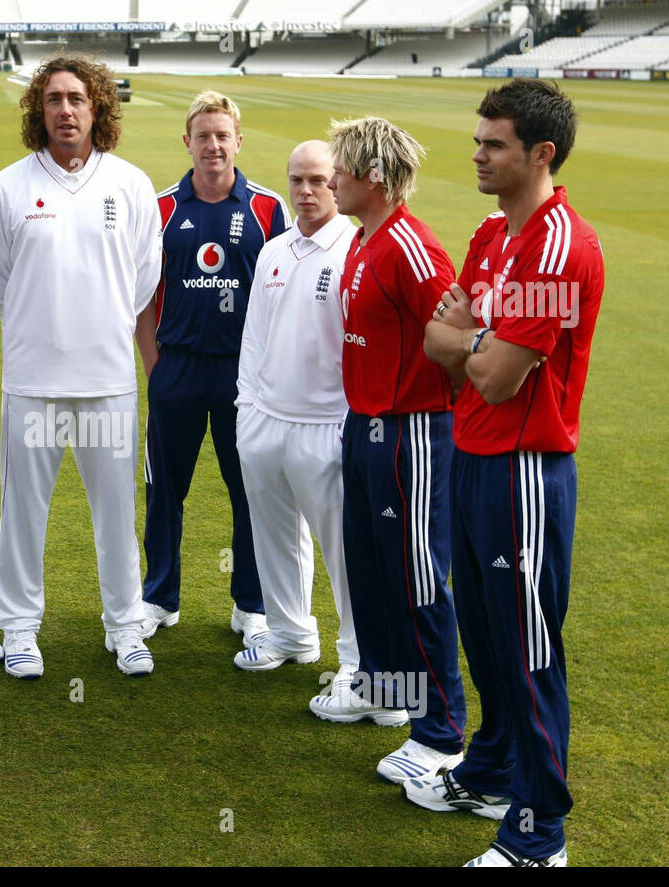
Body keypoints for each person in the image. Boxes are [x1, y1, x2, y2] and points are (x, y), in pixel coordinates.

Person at [413, 79, 602, 867]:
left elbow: (492, 373)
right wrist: (471, 339)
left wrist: (471, 340)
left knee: (527, 650)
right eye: (479, 139)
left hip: (525, 471)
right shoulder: (495, 238)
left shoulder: (560, 244)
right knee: (487, 637)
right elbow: (440, 341)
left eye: (494, 144)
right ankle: (491, 769)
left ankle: (538, 835)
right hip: (473, 454)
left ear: (540, 154)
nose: (478, 155)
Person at [0, 54, 162, 678]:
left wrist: (96, 325)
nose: (65, 110)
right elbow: (0, 280)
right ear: (39, 109)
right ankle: (21, 629)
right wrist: (45, 325)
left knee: (116, 511)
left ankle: (125, 626)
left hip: (109, 380)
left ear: (97, 107)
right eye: (54, 99)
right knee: (23, 511)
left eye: (77, 99)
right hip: (34, 381)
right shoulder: (5, 187)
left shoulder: (131, 185)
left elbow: (142, 281)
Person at [329, 116, 468, 783]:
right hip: (365, 426)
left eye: (340, 170)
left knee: (415, 573)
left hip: (410, 431)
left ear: (373, 178)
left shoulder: (410, 247)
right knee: (371, 566)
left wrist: (447, 426)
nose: (329, 180)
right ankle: (387, 689)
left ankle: (441, 733)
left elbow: (459, 340)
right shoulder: (363, 240)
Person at [133, 90, 294, 652]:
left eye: (223, 135)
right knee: (163, 489)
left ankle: (250, 604)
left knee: (250, 490)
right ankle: (158, 597)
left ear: (238, 141)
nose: (213, 145)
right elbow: (143, 297)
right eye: (203, 135)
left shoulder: (269, 209)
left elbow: (284, 294)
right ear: (187, 142)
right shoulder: (161, 207)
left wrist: (265, 372)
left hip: (241, 376)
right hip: (175, 369)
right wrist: (155, 368)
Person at [234, 141, 373, 696]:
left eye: (318, 180)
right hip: (267, 420)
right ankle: (290, 634)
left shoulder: (354, 251)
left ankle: (358, 658)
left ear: (336, 183)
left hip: (328, 424)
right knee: (274, 537)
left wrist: (348, 423)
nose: (307, 191)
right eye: (297, 180)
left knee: (346, 552)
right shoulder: (273, 251)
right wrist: (248, 412)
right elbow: (254, 340)